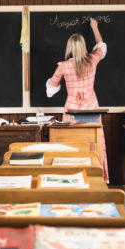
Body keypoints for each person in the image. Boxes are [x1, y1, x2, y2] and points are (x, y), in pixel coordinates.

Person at [46, 18, 109, 182]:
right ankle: (96, 178)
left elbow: (51, 89)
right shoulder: (92, 60)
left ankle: (72, 179)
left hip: (72, 109)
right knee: (94, 142)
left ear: (70, 48)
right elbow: (101, 46)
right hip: (92, 108)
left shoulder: (64, 66)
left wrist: (55, 85)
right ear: (83, 47)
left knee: (71, 143)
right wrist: (95, 27)